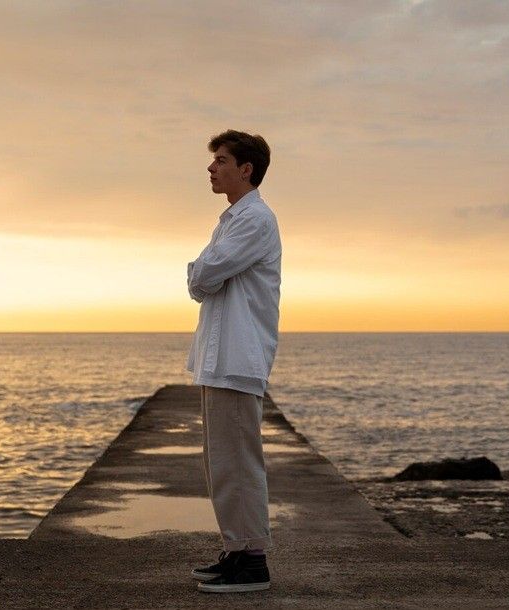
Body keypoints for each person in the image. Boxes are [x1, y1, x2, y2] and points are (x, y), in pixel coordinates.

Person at [185, 129, 281, 593]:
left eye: (221, 160)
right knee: (223, 463)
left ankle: (253, 562)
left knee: (239, 462)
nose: (211, 167)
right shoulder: (231, 220)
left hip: (237, 358)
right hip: (220, 358)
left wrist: (202, 273)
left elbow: (202, 273)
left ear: (246, 169)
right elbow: (201, 281)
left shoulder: (254, 220)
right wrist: (203, 274)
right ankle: (238, 550)